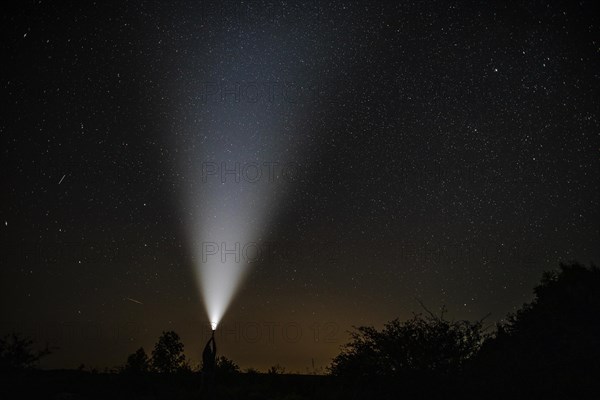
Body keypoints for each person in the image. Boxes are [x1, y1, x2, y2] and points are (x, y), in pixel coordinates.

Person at [201, 330, 217, 398]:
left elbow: (207, 347)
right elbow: (215, 349)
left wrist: (211, 339)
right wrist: (212, 339)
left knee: (204, 389)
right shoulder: (211, 357)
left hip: (205, 374)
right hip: (210, 374)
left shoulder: (204, 356)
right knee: (210, 389)